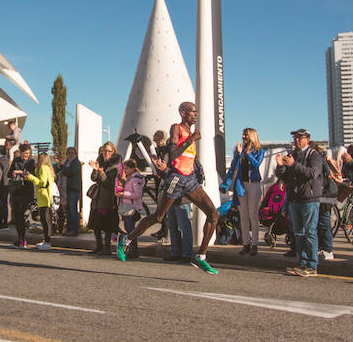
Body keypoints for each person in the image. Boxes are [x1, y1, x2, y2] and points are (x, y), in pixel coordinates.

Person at [118, 102, 220, 274]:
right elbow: (173, 156)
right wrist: (190, 140)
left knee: (213, 214)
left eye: (196, 112)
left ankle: (201, 256)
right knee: (158, 217)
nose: (196, 114)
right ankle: (126, 239)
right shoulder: (177, 129)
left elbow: (187, 159)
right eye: (192, 112)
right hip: (176, 179)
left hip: (190, 180)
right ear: (183, 113)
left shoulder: (190, 133)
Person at [275, 128, 324, 278]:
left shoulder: (313, 155)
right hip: (294, 198)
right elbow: (283, 175)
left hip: (309, 198)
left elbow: (312, 173)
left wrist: (293, 164)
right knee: (298, 233)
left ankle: (312, 265)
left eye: (300, 138)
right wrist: (280, 166)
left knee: (310, 232)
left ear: (307, 139)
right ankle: (302, 262)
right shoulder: (292, 155)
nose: (297, 140)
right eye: (295, 137)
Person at [221, 128, 265, 256]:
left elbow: (256, 164)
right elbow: (234, 166)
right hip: (241, 184)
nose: (243, 137)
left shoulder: (259, 150)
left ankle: (255, 244)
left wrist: (248, 153)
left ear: (252, 136)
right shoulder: (239, 150)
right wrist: (239, 153)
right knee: (244, 215)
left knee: (253, 214)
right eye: (243, 134)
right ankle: (246, 243)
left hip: (254, 184)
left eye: (246, 135)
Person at [88, 143, 121, 255]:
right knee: (96, 223)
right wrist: (95, 169)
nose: (106, 153)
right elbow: (93, 178)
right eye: (104, 151)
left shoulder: (115, 166)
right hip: (98, 197)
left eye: (109, 151)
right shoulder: (100, 163)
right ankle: (99, 245)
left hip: (108, 198)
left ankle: (107, 247)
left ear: (113, 152)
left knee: (107, 224)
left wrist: (102, 173)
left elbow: (109, 183)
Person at [26, 152, 56, 250]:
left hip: (44, 197)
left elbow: (42, 183)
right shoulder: (47, 168)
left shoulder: (43, 168)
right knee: (45, 220)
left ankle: (48, 241)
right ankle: (46, 240)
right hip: (45, 198)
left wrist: (31, 177)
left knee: (45, 220)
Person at [116, 158, 145, 259]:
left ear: (133, 168)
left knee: (131, 230)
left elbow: (137, 194)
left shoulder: (135, 180)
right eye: (124, 169)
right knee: (128, 229)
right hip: (126, 207)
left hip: (132, 208)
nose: (125, 171)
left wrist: (124, 194)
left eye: (127, 168)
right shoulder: (129, 179)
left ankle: (133, 250)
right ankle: (130, 249)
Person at [8, 144, 36, 248]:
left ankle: (23, 238)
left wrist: (21, 172)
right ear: (20, 152)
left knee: (22, 214)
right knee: (17, 216)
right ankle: (20, 238)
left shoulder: (31, 162)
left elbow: (32, 174)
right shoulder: (16, 161)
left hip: (26, 191)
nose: (27, 155)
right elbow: (9, 173)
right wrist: (13, 174)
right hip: (16, 190)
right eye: (25, 153)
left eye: (28, 153)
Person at [60, 147, 82, 236]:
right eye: (69, 153)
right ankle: (69, 229)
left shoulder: (76, 162)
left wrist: (62, 167)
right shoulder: (66, 162)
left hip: (73, 189)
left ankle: (75, 229)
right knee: (68, 211)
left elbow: (70, 172)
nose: (70, 154)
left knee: (73, 210)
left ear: (75, 154)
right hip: (66, 189)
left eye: (72, 153)